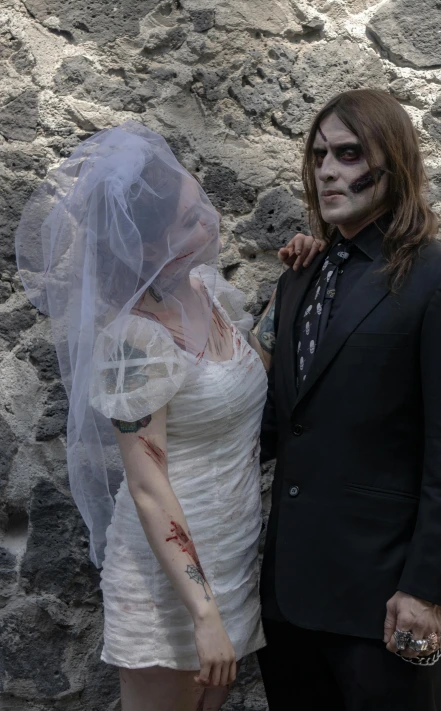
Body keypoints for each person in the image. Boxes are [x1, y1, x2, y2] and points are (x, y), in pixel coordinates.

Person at [15, 121, 319, 711]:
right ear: (143, 247)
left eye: (198, 204)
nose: (208, 222)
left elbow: (243, 373)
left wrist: (293, 284)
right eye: (187, 221)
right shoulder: (134, 341)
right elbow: (147, 485)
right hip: (169, 585)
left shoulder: (206, 291)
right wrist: (202, 614)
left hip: (228, 557)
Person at [256, 89, 441, 710]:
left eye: (347, 153)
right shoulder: (298, 277)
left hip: (391, 603)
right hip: (288, 602)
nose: (327, 171)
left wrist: (428, 591)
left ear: (393, 162)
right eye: (318, 157)